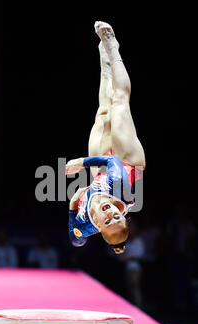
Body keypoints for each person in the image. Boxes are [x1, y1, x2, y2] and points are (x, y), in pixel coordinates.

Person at [66, 21, 146, 255]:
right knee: (119, 102)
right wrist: (80, 163)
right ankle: (112, 46)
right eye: (119, 217)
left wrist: (73, 205)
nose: (112, 214)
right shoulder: (123, 193)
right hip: (128, 163)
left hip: (100, 173)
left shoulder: (84, 227)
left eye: (108, 221)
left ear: (98, 228)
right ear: (124, 214)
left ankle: (103, 53)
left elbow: (74, 239)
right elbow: (113, 162)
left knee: (103, 111)